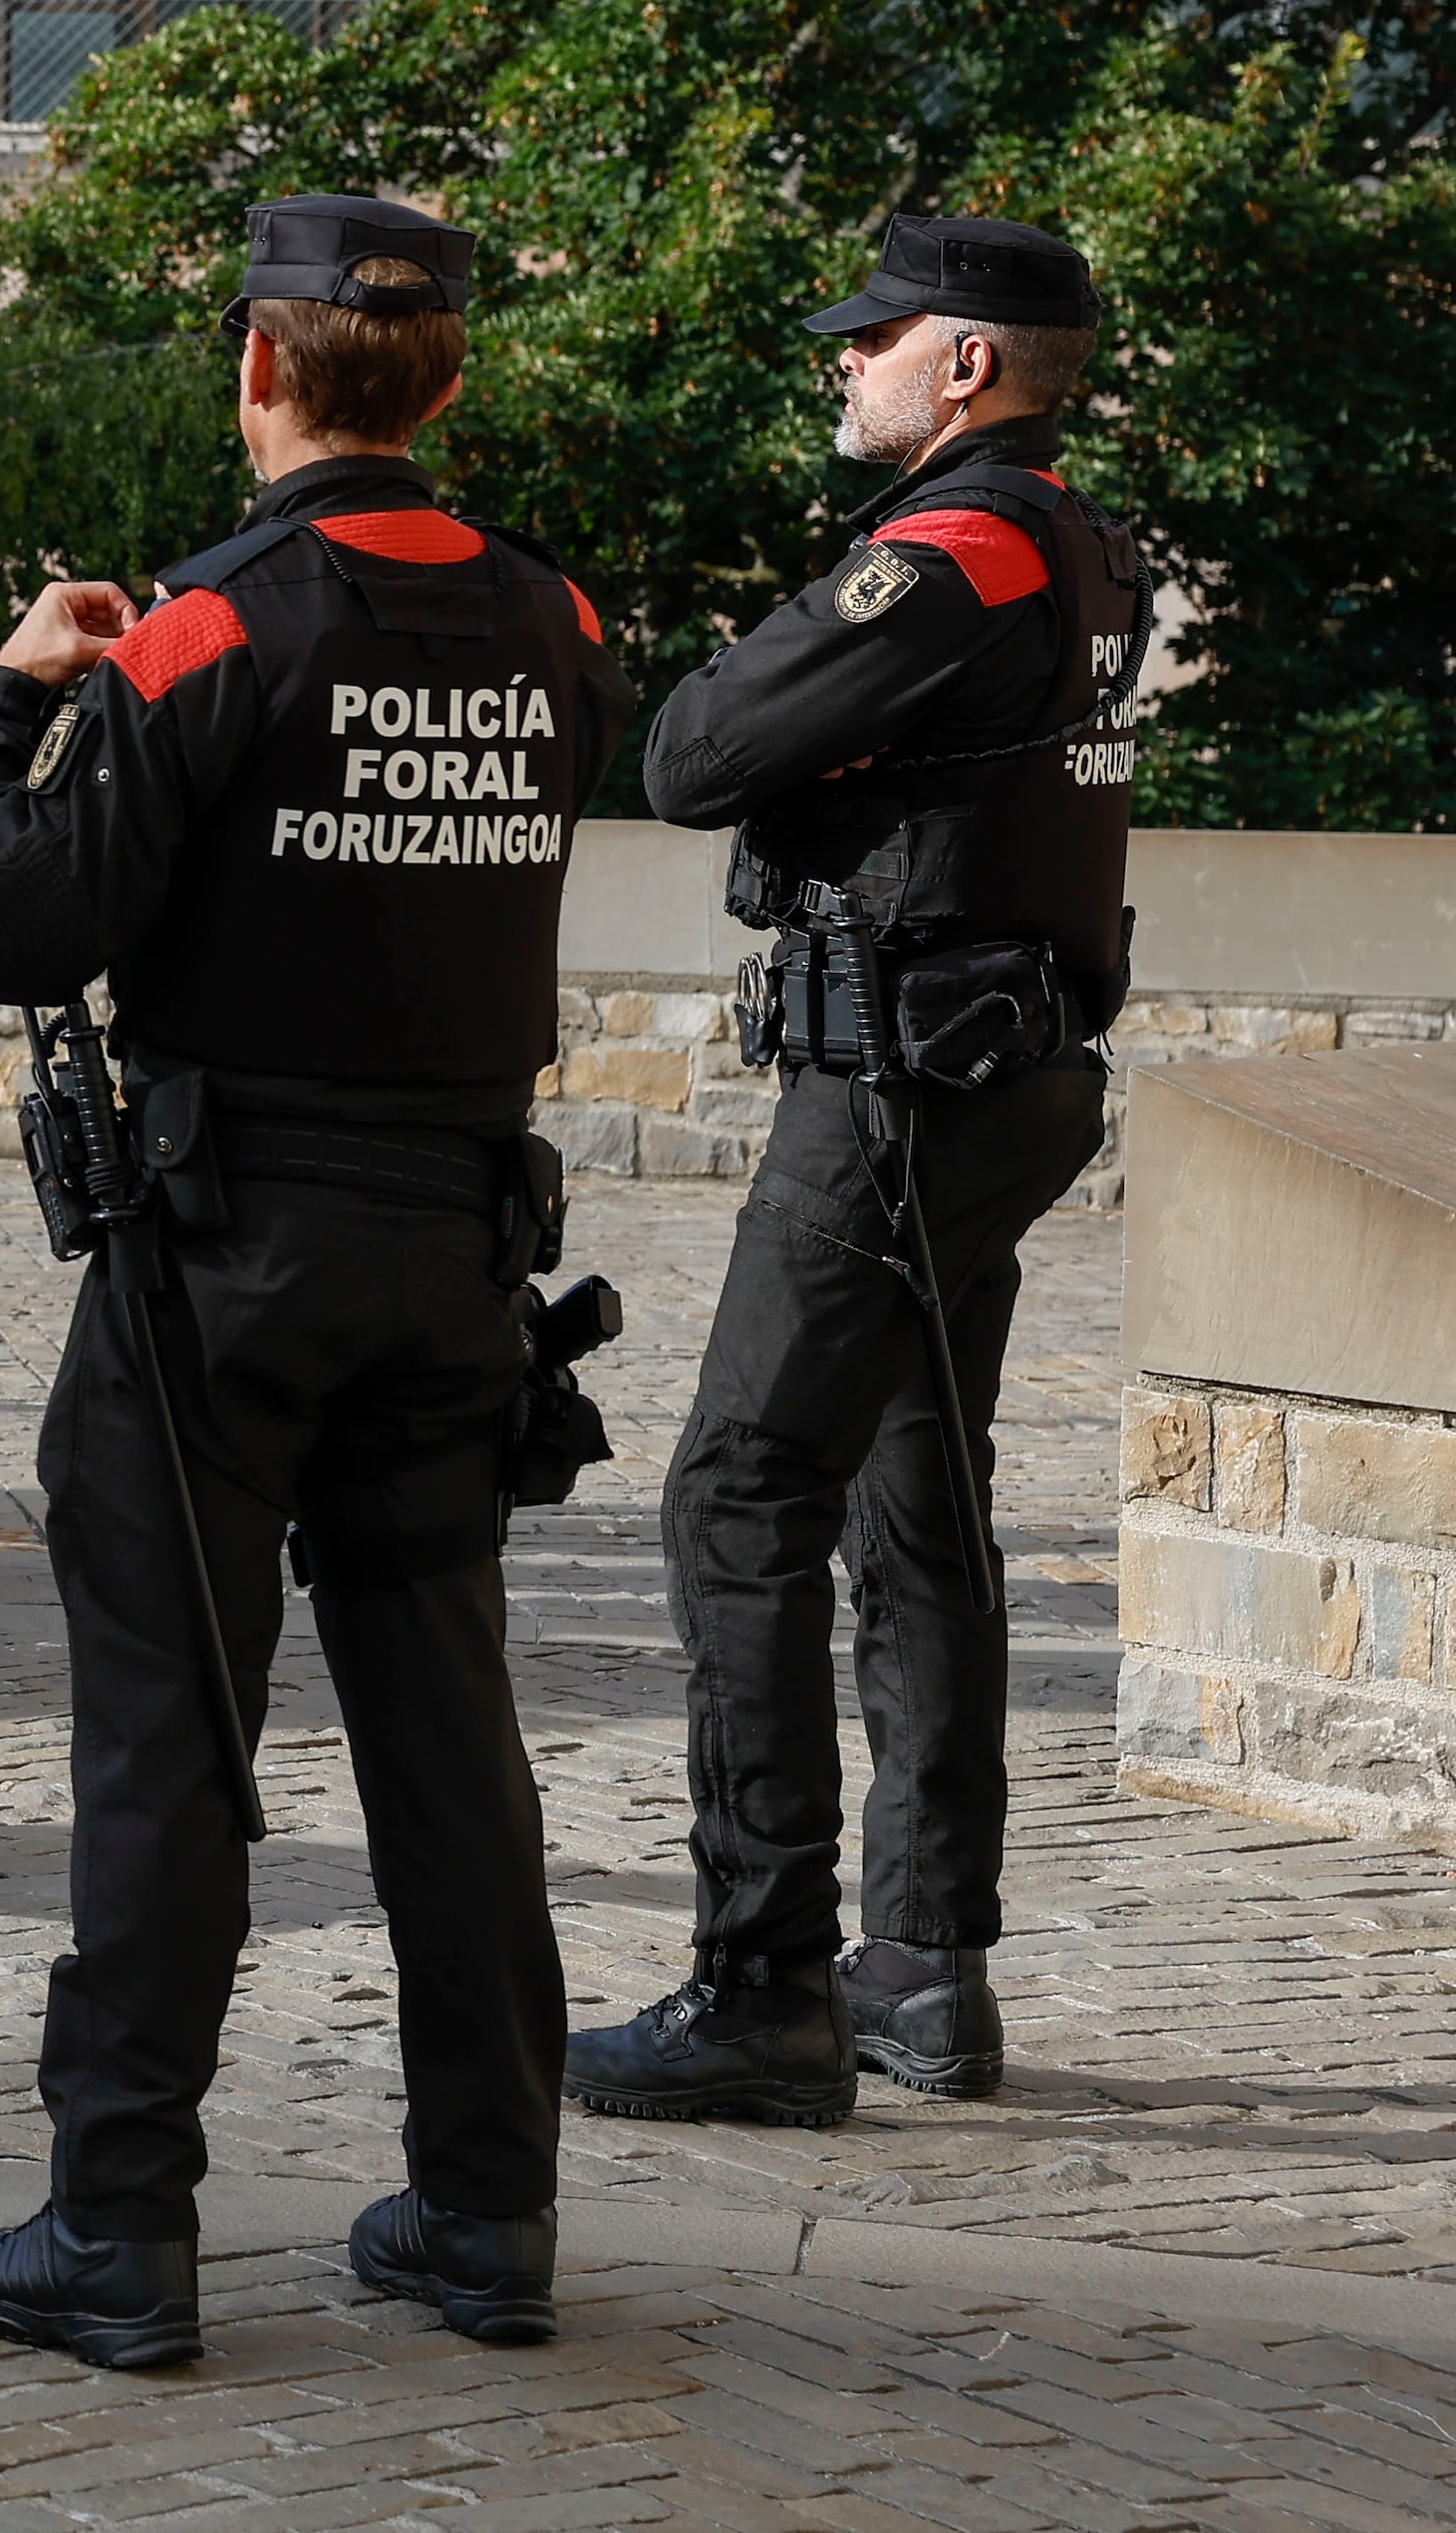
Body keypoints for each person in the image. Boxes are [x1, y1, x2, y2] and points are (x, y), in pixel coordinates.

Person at [0, 195, 634, 2369]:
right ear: (442, 384)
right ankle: (486, 2208)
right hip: (455, 1254)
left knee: (171, 1741)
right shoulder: (557, 625)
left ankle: (117, 2225)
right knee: (450, 1742)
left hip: (218, 1270)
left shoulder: (212, 631)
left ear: (257, 367)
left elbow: (17, 929)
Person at [566, 219, 1144, 2131]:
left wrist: (801, 730)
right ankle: (924, 1959)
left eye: (875, 338)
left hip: (901, 1082)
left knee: (737, 1487)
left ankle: (761, 1982)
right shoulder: (1084, 542)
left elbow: (697, 748)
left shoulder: (962, 547)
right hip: (1003, 1071)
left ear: (966, 367)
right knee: (921, 1499)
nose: (847, 364)